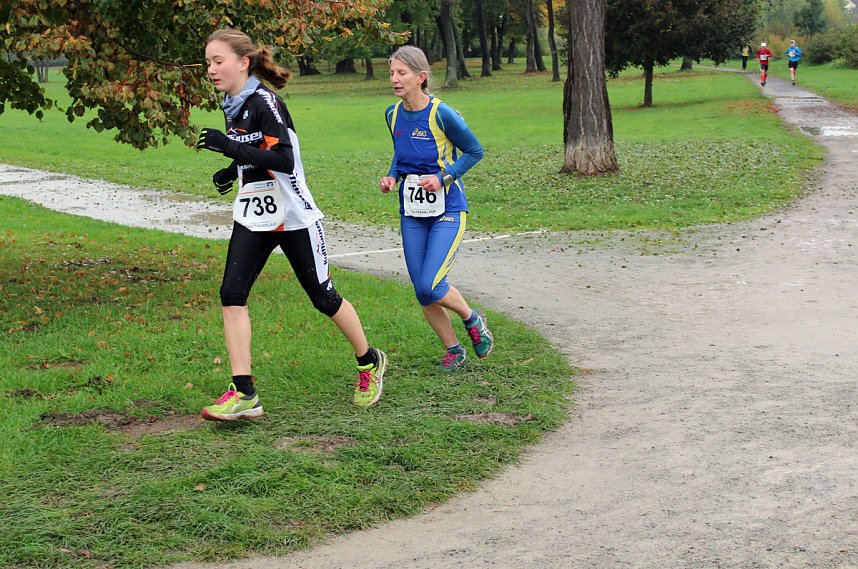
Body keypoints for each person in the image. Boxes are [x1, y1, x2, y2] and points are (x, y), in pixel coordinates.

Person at [196, 28, 387, 417]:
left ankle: (369, 361)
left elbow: (283, 159)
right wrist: (232, 169)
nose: (211, 70)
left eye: (218, 61)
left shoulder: (266, 102)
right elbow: (255, 147)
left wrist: (228, 146)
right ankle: (244, 392)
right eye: (208, 63)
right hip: (255, 212)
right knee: (231, 293)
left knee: (323, 297)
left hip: (292, 213)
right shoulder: (232, 102)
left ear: (242, 63)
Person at [378, 45, 494, 372]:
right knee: (422, 291)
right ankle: (453, 350)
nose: (395, 79)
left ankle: (472, 319)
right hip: (412, 213)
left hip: (448, 208)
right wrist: (391, 177)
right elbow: (401, 156)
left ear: (421, 77)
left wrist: (444, 177)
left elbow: (474, 151)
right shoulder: (392, 114)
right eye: (391, 73)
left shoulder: (441, 114)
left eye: (402, 73)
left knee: (431, 283)